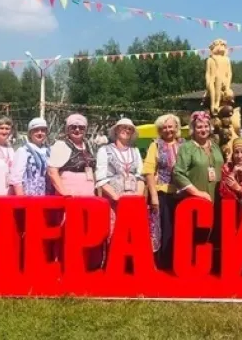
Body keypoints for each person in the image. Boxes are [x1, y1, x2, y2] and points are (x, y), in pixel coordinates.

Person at [96, 118, 159, 252]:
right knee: (115, 232)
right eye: (123, 127)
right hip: (114, 200)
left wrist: (137, 196)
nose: (126, 130)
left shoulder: (135, 151)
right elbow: (101, 178)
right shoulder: (104, 150)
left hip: (133, 199)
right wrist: (116, 197)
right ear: (116, 130)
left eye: (129, 129)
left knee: (133, 232)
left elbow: (140, 175)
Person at [142, 113, 184, 269]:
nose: (168, 130)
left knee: (180, 229)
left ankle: (179, 261)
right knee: (165, 229)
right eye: (164, 127)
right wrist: (153, 195)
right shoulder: (156, 145)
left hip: (182, 193)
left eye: (170, 126)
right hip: (163, 192)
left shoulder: (184, 144)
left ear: (176, 127)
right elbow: (148, 171)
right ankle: (164, 263)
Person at [173, 111, 225, 202]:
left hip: (218, 197)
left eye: (206, 126)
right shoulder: (187, 148)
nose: (203, 130)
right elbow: (178, 173)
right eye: (199, 127)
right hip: (197, 200)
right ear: (193, 129)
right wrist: (197, 192)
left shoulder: (215, 146)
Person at [47, 113, 96, 197]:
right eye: (73, 127)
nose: (77, 130)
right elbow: (52, 172)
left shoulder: (88, 145)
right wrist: (65, 193)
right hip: (70, 196)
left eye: (81, 127)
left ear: (85, 130)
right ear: (67, 129)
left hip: (88, 195)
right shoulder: (61, 145)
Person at [12, 118, 51, 196]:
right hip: (29, 197)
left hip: (48, 196)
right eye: (36, 130)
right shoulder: (23, 151)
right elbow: (16, 179)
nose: (40, 133)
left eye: (43, 130)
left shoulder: (49, 151)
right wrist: (21, 199)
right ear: (30, 133)